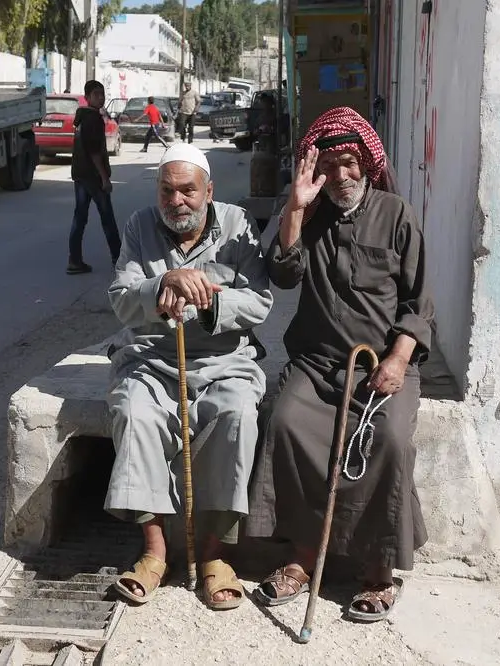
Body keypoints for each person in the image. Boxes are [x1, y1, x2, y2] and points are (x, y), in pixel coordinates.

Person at [247, 106, 434, 622]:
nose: (341, 175)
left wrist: (398, 358)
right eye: (329, 166)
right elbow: (283, 275)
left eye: (349, 162)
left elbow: (419, 306)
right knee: (284, 423)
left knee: (390, 440)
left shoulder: (397, 214)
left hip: (381, 366)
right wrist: (294, 206)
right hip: (317, 363)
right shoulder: (310, 215)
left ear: (366, 163)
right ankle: (304, 557)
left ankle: (378, 570)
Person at [105, 143, 273, 610]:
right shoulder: (140, 225)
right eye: (167, 190)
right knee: (133, 412)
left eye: (187, 191)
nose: (176, 201)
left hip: (225, 361)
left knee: (237, 414)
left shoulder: (238, 224)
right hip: (154, 358)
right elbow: (120, 298)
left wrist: (210, 301)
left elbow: (260, 301)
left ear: (209, 191)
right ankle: (155, 550)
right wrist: (161, 284)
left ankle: (214, 554)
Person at [68, 79, 122, 274]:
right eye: (96, 94)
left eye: (102, 94)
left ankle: (74, 260)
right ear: (87, 97)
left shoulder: (82, 117)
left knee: (80, 217)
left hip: (80, 175)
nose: (101, 98)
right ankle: (119, 258)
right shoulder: (93, 119)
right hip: (92, 176)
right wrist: (104, 178)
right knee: (107, 217)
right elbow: (94, 152)